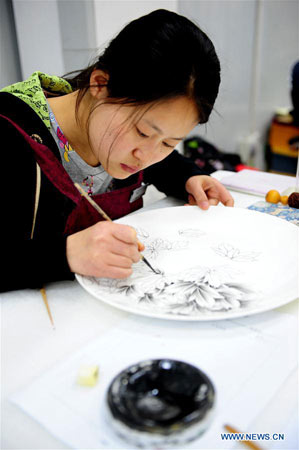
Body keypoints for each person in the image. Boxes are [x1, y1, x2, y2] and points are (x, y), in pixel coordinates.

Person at [0, 9, 233, 292]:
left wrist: (188, 176)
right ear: (100, 84)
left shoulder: (118, 134)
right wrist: (65, 255)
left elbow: (162, 162)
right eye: (143, 132)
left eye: (169, 142)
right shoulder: (10, 133)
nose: (146, 156)